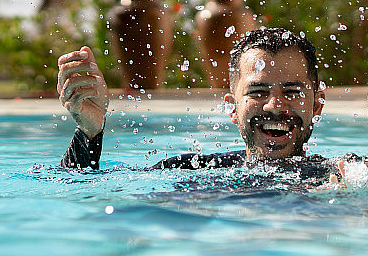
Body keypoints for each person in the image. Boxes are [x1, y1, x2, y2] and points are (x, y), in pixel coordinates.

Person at [57, 28, 327, 171]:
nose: (274, 105)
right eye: (257, 92)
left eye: (292, 92)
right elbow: (80, 192)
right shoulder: (190, 170)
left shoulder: (343, 175)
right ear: (232, 108)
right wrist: (89, 133)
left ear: (316, 105)